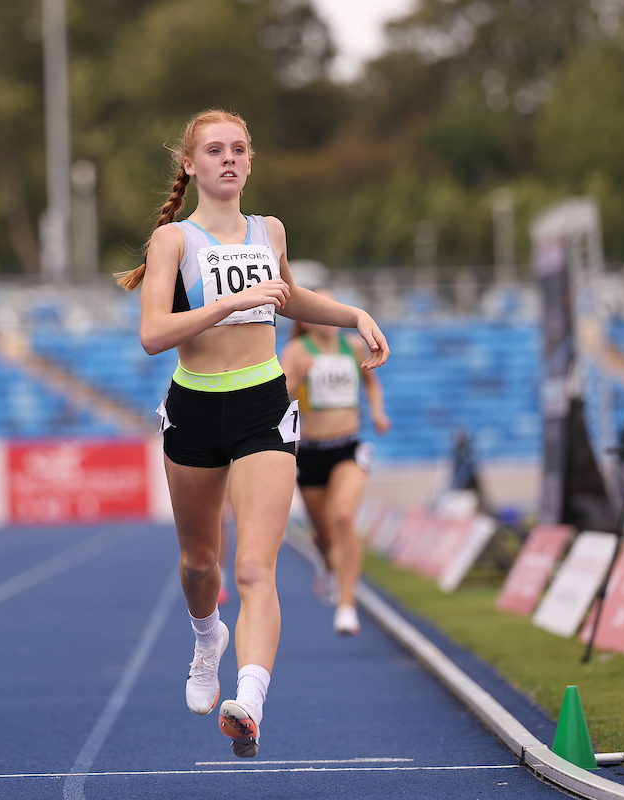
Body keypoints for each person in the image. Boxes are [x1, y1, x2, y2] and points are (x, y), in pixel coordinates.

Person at [117, 109, 389, 758]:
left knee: (252, 568)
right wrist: (227, 305)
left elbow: (288, 298)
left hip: (262, 404)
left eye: (239, 149)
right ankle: (206, 637)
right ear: (190, 165)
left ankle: (250, 702)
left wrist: (353, 315)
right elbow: (153, 335)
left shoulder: (269, 230)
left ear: (250, 160)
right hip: (194, 408)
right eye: (214, 150)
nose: (229, 159)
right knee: (199, 564)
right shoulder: (173, 243)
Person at [280, 291, 390, 635]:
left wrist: (376, 410)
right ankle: (327, 562)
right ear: (305, 317)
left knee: (343, 516)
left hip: (348, 447)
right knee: (326, 536)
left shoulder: (353, 348)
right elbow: (278, 397)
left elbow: (371, 382)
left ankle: (347, 606)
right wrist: (298, 378)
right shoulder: (297, 351)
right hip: (310, 452)